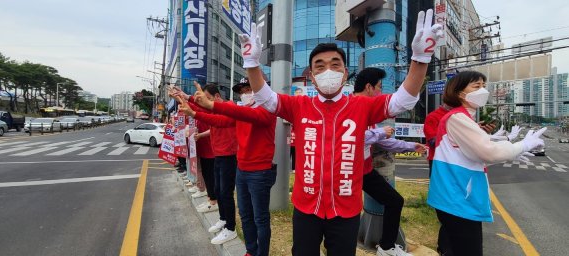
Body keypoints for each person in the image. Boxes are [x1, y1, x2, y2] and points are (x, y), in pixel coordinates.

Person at [239, 9, 443, 255]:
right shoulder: (298, 105)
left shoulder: (361, 105)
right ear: (312, 77)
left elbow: (404, 100)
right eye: (320, 66)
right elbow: (265, 97)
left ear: (345, 73)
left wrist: (420, 59)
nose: (328, 70)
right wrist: (252, 64)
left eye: (335, 65)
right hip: (306, 209)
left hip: (346, 210)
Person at [427, 71, 546, 256]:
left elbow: (472, 158)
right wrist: (522, 145)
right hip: (458, 199)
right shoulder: (458, 118)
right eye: (476, 86)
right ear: (459, 93)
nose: (483, 90)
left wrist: (511, 153)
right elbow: (488, 152)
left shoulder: (462, 117)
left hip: (456, 198)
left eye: (484, 85)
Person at [180, 78, 277, 256]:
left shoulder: (267, 110)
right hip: (242, 169)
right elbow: (219, 121)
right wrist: (194, 112)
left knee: (260, 219)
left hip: (260, 172)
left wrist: (202, 104)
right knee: (246, 215)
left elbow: (230, 112)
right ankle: (250, 251)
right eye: (242, 91)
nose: (245, 94)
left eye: (249, 89)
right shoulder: (242, 112)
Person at [354, 67, 426, 256]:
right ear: (369, 87)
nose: (381, 93)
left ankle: (386, 248)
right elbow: (348, 137)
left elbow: (383, 140)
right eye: (379, 87)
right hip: (348, 172)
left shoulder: (368, 112)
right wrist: (379, 132)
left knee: (394, 201)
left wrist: (411, 146)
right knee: (348, 212)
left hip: (365, 171)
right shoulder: (351, 105)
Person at [173, 84, 239, 245]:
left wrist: (194, 112)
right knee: (217, 190)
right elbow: (203, 110)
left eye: (208, 99)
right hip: (218, 154)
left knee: (225, 193)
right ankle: (223, 220)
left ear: (217, 97)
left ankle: (231, 228)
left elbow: (210, 117)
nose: (206, 103)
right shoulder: (214, 108)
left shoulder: (229, 107)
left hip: (229, 156)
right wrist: (185, 97)